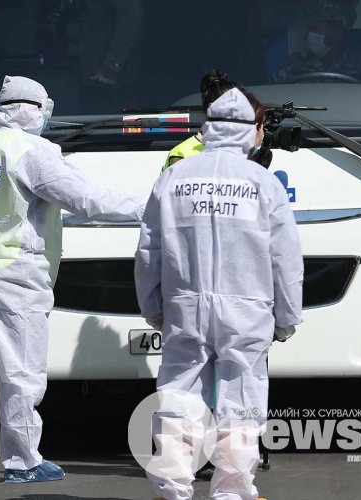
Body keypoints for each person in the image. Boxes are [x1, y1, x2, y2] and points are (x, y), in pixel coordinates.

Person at [0, 75, 144, 483]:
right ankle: (23, 462)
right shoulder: (32, 152)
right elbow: (87, 200)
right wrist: (147, 206)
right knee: (22, 370)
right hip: (17, 271)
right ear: (35, 110)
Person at [135, 87, 303, 500]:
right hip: (248, 309)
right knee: (241, 402)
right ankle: (231, 491)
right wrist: (287, 317)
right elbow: (285, 258)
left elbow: (148, 250)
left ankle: (172, 489)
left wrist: (154, 307)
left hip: (185, 305)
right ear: (253, 131)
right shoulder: (263, 182)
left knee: (177, 399)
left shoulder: (174, 178)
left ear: (209, 129)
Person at [273, 0, 361, 84]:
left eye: (315, 29)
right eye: (309, 29)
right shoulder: (293, 66)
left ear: (337, 34)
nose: (308, 35)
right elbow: (273, 97)